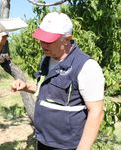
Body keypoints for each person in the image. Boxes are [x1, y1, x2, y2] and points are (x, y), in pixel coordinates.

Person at [11, 12, 105, 150]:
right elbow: (46, 89)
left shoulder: (86, 66)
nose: (43, 44)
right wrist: (26, 86)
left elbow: (96, 111)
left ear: (67, 39)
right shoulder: (46, 59)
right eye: (41, 39)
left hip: (67, 146)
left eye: (48, 40)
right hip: (43, 140)